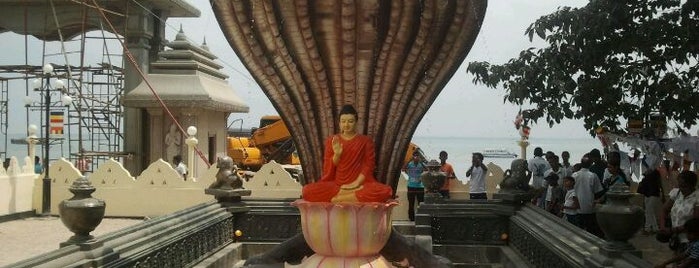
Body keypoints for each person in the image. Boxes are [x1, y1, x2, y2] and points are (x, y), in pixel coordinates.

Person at [301, 104, 393, 203]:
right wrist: (337, 154)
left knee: (386, 191)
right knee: (306, 191)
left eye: (350, 121)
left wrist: (356, 183)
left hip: (360, 184)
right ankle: (351, 195)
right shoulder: (332, 140)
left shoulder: (365, 141)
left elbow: (369, 165)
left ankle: (341, 198)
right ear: (339, 123)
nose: (346, 125)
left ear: (356, 122)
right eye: (343, 121)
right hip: (337, 185)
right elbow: (328, 167)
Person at [659, 171, 699, 255]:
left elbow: (696, 222)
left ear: (692, 185)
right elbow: (664, 210)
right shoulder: (677, 193)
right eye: (679, 185)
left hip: (689, 239)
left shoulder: (697, 197)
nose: (681, 189)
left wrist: (674, 230)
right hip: (676, 238)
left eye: (684, 186)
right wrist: (663, 227)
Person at [573, 154, 605, 237]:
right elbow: (598, 191)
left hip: (576, 207)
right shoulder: (593, 176)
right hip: (589, 207)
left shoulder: (574, 175)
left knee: (577, 230)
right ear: (591, 164)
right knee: (590, 231)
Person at [637, 170, 663, 235]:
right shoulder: (655, 175)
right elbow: (660, 185)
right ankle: (655, 228)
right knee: (650, 212)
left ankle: (647, 229)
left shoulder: (647, 178)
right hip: (653, 194)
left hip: (650, 195)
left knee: (648, 212)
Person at [403, 152, 425, 221]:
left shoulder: (421, 164)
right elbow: (403, 169)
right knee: (411, 203)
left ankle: (420, 218)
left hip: (420, 187)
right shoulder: (410, 164)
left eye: (417, 156)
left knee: (421, 204)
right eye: (415, 156)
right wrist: (409, 160)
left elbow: (427, 169)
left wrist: (421, 162)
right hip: (411, 186)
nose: (416, 158)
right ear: (413, 157)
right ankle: (411, 218)